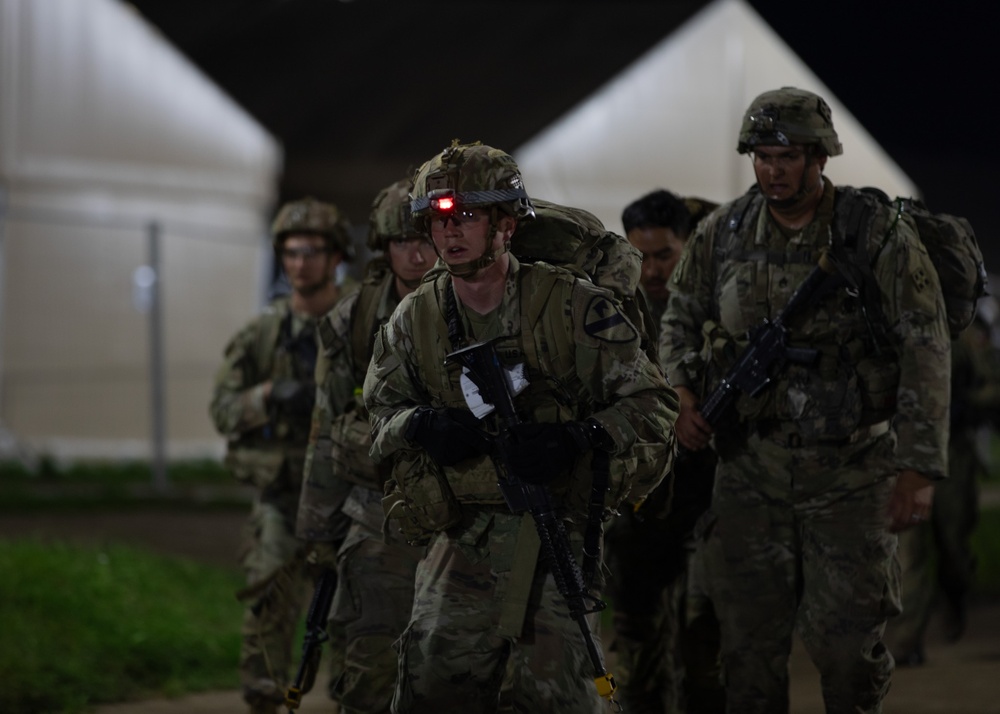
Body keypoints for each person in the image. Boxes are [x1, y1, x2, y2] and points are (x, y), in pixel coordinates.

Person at [660, 87, 951, 714]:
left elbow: (924, 346)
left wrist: (919, 468)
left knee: (847, 652)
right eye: (762, 156)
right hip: (749, 470)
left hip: (851, 475)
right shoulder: (723, 232)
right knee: (748, 652)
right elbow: (678, 318)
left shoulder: (873, 232)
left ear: (820, 157)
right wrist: (681, 393)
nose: (773, 169)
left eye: (787, 155)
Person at [363, 141, 679, 713]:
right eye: (438, 221)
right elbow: (378, 412)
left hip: (554, 529)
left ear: (506, 224)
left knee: (558, 697)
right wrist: (420, 424)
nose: (450, 233)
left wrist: (576, 438)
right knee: (431, 688)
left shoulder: (571, 307)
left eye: (466, 217)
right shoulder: (417, 317)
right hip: (462, 535)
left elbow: (653, 404)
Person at [296, 178, 436, 713]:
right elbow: (327, 427)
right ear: (383, 247)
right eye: (402, 241)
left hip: (464, 515)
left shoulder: (473, 304)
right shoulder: (352, 321)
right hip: (376, 512)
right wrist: (318, 534)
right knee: (371, 666)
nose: (417, 253)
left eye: (424, 238)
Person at [209, 196, 354, 714]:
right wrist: (269, 395)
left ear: (336, 256)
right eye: (291, 252)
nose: (300, 263)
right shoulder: (262, 333)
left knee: (353, 613)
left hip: (347, 494)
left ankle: (351, 700)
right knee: (269, 602)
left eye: (313, 251)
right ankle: (265, 698)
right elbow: (222, 408)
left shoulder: (363, 321)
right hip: (283, 493)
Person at [605, 189, 724, 714]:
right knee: (635, 664)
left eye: (663, 255)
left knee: (701, 651)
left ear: (688, 248)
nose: (651, 270)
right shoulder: (608, 318)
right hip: (637, 518)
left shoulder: (716, 314)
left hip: (706, 507)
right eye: (640, 256)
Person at [889, 311, 1000, 664]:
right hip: (906, 454)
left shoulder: (964, 333)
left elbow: (992, 383)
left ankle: (955, 595)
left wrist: (970, 405)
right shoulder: (894, 326)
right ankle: (906, 642)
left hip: (952, 454)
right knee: (911, 551)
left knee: (953, 548)